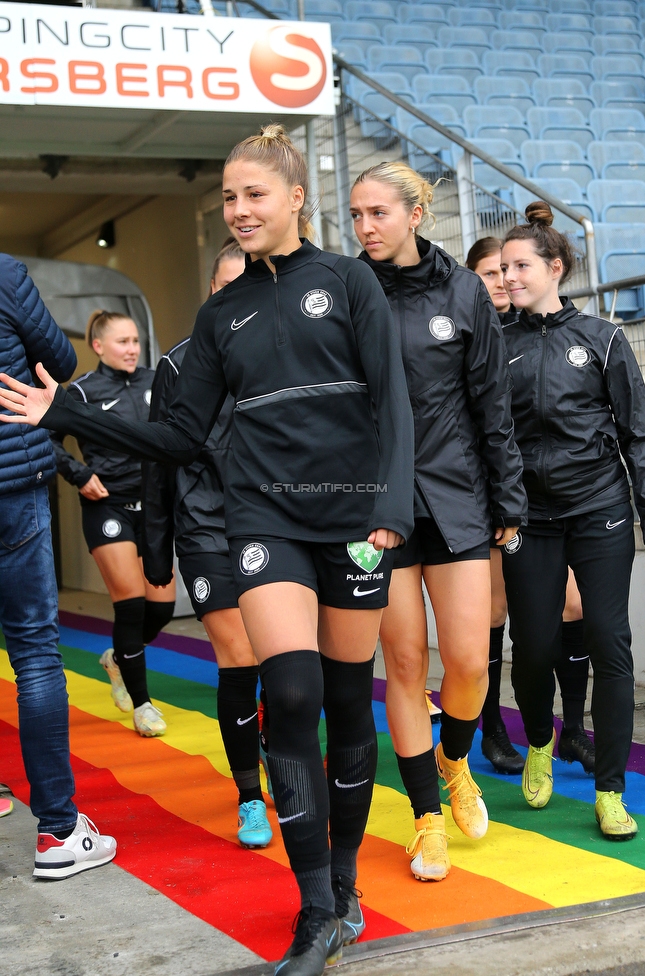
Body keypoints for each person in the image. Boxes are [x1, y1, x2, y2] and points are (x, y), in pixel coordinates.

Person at [0, 125, 414, 976]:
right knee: (290, 694)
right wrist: (66, 416)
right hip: (263, 523)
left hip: (354, 525)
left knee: (344, 703)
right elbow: (183, 432)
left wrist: (392, 505)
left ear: (296, 197)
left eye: (253, 194)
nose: (238, 209)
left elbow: (393, 401)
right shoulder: (221, 311)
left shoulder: (347, 282)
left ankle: (343, 890)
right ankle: (312, 910)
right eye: (228, 197)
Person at [349, 163, 526, 883]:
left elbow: (492, 402)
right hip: (373, 510)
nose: (365, 227)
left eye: (379, 213)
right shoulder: (341, 290)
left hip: (455, 497)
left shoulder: (462, 291)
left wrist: (508, 501)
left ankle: (454, 760)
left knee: (470, 663)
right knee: (401, 664)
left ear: (417, 211)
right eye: (357, 215)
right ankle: (426, 814)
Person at [498, 201, 645, 839]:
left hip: (600, 509)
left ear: (555, 268)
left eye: (520, 266)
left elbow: (638, 437)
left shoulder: (605, 339)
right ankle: (540, 740)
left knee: (610, 642)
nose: (507, 277)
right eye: (503, 268)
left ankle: (610, 789)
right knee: (532, 647)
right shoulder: (494, 346)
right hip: (530, 517)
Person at [142, 240, 273, 850]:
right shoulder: (177, 364)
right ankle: (250, 795)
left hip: (279, 522)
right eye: (225, 287)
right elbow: (159, 453)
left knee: (283, 660)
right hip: (207, 527)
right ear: (211, 292)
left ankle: (280, 758)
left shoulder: (285, 349)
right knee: (239, 655)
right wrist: (156, 544)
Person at [0, 252, 116, 878]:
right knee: (35, 656)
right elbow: (62, 364)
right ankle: (58, 832)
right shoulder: (5, 275)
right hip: (12, 489)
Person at [467, 237, 594, 776]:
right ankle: (493, 726)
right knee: (495, 613)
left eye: (510, 270)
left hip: (550, 502)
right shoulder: (471, 337)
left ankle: (574, 730)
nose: (501, 280)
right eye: (490, 272)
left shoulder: (544, 330)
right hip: (488, 498)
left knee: (573, 607)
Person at [51, 311, 176, 738]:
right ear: (99, 346)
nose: (132, 349)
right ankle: (143, 705)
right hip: (109, 506)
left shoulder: (157, 379)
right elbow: (45, 436)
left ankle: (118, 658)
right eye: (122, 341)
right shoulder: (82, 391)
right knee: (132, 603)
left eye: (136, 341)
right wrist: (78, 474)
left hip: (155, 507)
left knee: (161, 608)